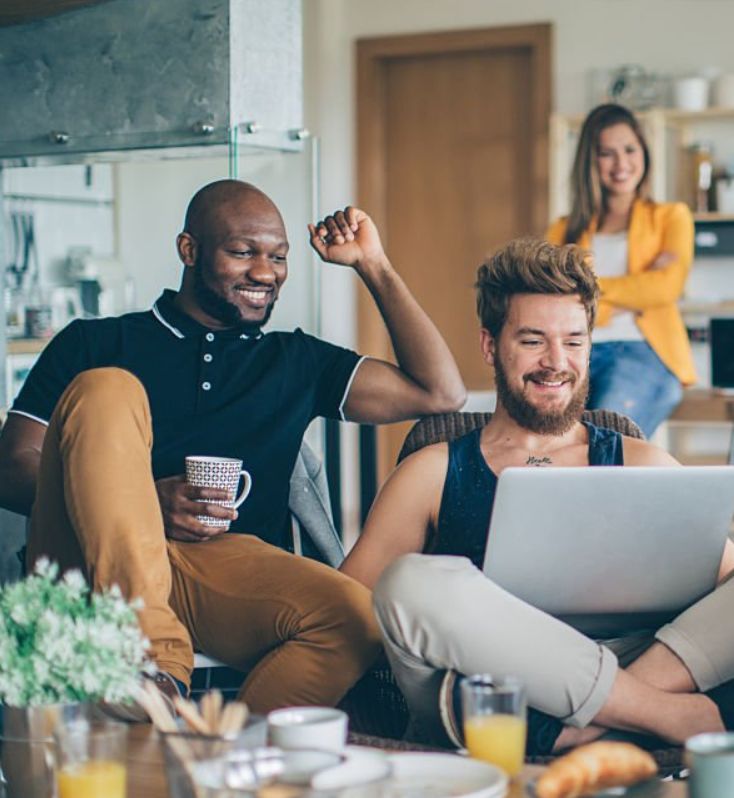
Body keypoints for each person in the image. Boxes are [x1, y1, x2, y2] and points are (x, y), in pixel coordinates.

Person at [0, 179, 466, 714]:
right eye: (243, 252)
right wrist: (141, 500)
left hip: (224, 571)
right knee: (108, 387)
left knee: (356, 618)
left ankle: (224, 762)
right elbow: (12, 467)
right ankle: (149, 661)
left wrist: (373, 265)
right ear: (189, 250)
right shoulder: (96, 342)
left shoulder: (294, 361)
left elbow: (440, 393)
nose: (265, 273)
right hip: (88, 562)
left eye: (279, 257)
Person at [339, 237, 734, 754]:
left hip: (617, 663)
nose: (556, 362)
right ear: (489, 346)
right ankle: (661, 713)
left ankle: (583, 728)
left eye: (574, 341)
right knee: (410, 583)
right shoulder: (432, 471)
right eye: (532, 341)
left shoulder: (645, 463)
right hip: (485, 682)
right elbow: (343, 607)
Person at [546, 103, 696, 438]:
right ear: (590, 160)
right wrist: (635, 291)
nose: (621, 163)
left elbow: (666, 288)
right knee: (549, 439)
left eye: (630, 149)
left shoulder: (672, 217)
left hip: (643, 351)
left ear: (644, 151)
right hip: (574, 352)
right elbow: (552, 298)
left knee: (603, 438)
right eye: (606, 153)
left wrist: (587, 289)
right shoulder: (562, 230)